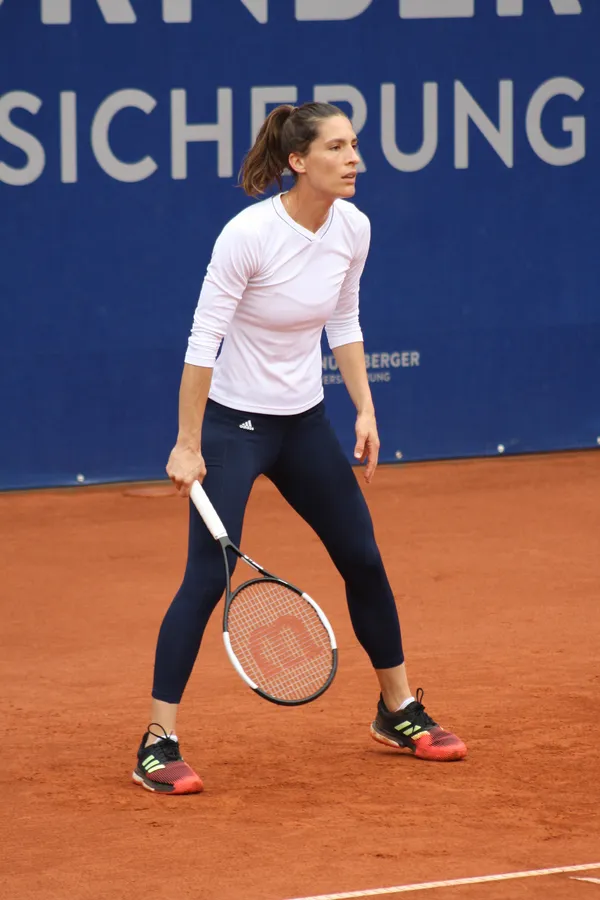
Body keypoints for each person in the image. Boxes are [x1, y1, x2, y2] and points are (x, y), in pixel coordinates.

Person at [132, 102, 467, 795]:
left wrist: (364, 406)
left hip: (304, 424)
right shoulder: (248, 235)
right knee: (207, 577)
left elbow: (344, 318)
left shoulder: (353, 228)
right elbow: (203, 340)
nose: (354, 159)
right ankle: (157, 742)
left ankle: (398, 708)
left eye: (354, 145)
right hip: (232, 426)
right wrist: (188, 442)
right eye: (337, 147)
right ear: (298, 161)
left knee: (363, 558)